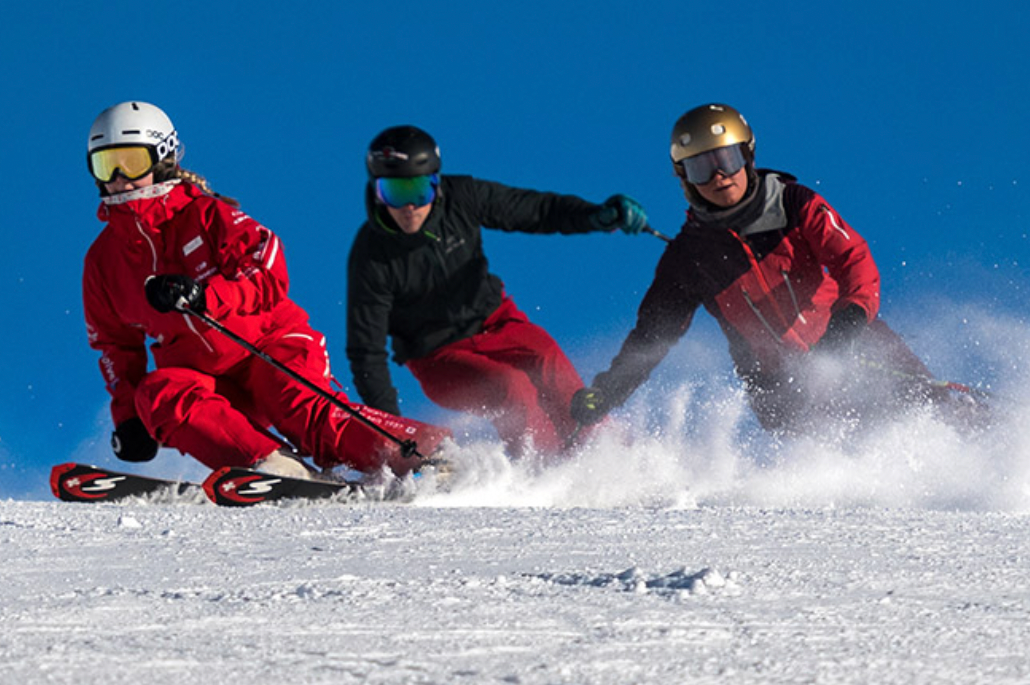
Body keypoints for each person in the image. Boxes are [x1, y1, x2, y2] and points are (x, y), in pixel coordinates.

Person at [83, 101, 450, 480]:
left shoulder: (205, 215)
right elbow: (115, 346)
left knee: (299, 408)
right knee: (158, 394)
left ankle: (433, 454)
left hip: (270, 346)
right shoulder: (103, 261)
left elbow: (268, 267)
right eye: (105, 165)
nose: (119, 178)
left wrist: (205, 296)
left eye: (131, 161)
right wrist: (129, 419)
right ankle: (273, 466)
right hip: (205, 379)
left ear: (162, 158)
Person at [571, 102, 957, 436]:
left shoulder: (790, 203)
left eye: (727, 159)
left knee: (933, 409)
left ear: (748, 156)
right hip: (782, 387)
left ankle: (996, 449)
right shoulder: (688, 258)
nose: (719, 175)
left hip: (852, 341)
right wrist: (606, 392)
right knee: (848, 449)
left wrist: (848, 325)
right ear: (684, 178)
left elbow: (852, 259)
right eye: (701, 168)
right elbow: (652, 336)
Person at [346, 125, 649, 457]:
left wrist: (594, 216)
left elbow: (534, 209)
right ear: (376, 192)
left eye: (419, 191)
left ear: (436, 183)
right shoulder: (371, 255)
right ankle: (545, 467)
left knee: (547, 359)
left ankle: (611, 455)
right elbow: (367, 353)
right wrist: (394, 432)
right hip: (438, 357)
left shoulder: (462, 198)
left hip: (497, 322)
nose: (409, 207)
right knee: (511, 388)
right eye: (394, 193)